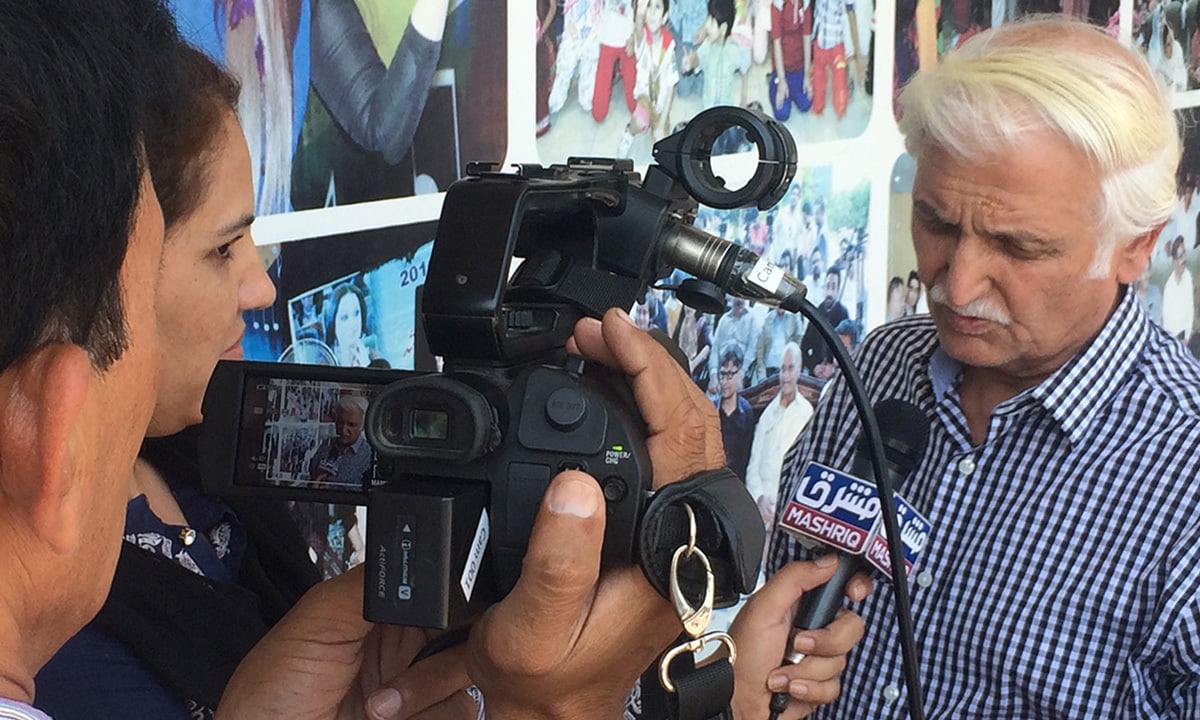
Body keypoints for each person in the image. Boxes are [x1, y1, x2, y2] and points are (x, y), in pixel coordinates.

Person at [3, 7, 860, 720]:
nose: (261, 285)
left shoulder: (209, 455)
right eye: (224, 248)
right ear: (49, 402)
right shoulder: (66, 647)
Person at [768, 16, 1200, 717]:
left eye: (1019, 247)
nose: (957, 285)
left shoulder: (1186, 473)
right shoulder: (881, 363)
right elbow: (787, 582)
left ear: (1136, 247)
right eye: (937, 223)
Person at [744, 342, 814, 528]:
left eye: (790, 369)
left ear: (799, 369)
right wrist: (759, 498)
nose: (785, 376)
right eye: (783, 369)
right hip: (760, 505)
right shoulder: (768, 413)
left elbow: (807, 468)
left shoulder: (806, 413)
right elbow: (753, 464)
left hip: (788, 507)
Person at [307, 395, 373, 488]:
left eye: (351, 425)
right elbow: (310, 478)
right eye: (340, 422)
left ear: (362, 426)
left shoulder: (368, 455)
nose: (343, 430)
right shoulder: (327, 444)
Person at [800, 267, 850, 378]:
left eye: (833, 287)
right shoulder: (816, 312)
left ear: (838, 290)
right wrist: (814, 366)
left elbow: (848, 350)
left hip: (835, 377)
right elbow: (804, 346)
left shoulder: (843, 315)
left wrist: (833, 367)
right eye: (827, 286)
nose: (829, 292)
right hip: (815, 376)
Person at [715, 344, 756, 482]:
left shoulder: (747, 413)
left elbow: (747, 457)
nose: (724, 382)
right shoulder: (711, 410)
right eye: (722, 375)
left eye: (730, 375)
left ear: (740, 375)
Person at [768, 0, 814, 121]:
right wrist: (782, 80)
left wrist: (807, 75)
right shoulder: (777, 5)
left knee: (806, 104)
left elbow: (807, 38)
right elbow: (776, 43)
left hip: (799, 68)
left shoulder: (805, 4)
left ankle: (793, 90)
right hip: (781, 70)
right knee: (782, 114)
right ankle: (774, 82)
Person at [327, 283, 381, 367]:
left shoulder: (375, 357)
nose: (353, 323)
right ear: (333, 325)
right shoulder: (327, 363)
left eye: (356, 313)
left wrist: (367, 366)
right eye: (344, 317)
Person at [1162, 235, 1195, 343]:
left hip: (1186, 333)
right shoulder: (1169, 286)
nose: (1184, 258)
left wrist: (1187, 337)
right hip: (1173, 336)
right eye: (1181, 256)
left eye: (1184, 253)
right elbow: (1167, 320)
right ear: (1175, 261)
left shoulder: (1187, 276)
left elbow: (1190, 308)